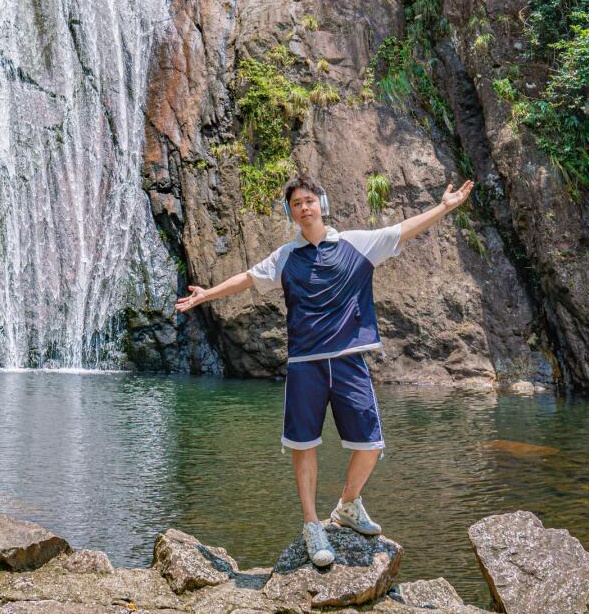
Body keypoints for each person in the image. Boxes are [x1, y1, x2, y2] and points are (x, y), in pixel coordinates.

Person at [175, 172, 474, 568]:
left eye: (309, 200)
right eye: (296, 203)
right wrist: (206, 295)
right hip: (305, 364)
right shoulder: (285, 257)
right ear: (290, 211)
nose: (304, 207)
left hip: (350, 359)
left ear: (322, 204)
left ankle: (348, 504)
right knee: (303, 446)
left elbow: (402, 230)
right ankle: (312, 524)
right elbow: (248, 278)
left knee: (370, 444)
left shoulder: (356, 244)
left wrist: (443, 207)